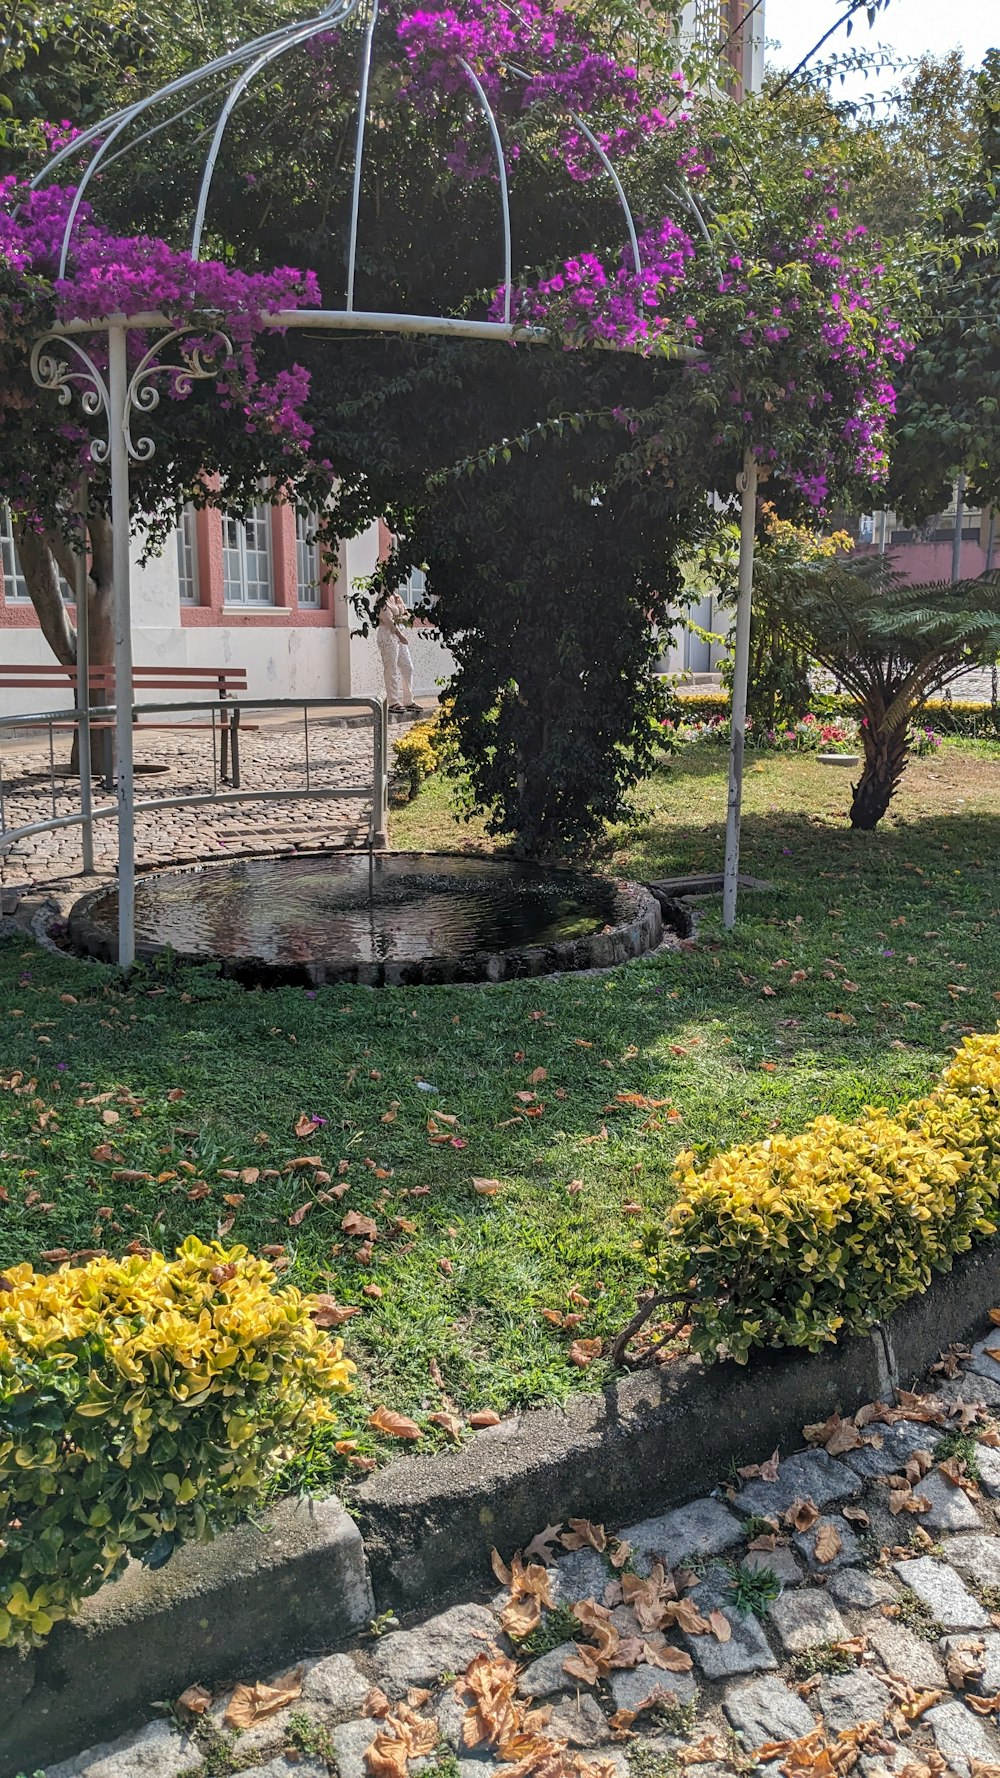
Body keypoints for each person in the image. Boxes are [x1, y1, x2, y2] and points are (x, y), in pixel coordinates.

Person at [377, 591, 419, 716]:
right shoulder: (382, 600)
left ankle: (408, 700)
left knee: (407, 666)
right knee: (391, 668)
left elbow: (407, 614)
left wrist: (400, 619)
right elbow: (388, 621)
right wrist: (400, 634)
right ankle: (393, 701)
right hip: (387, 635)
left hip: (399, 632)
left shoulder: (396, 597)